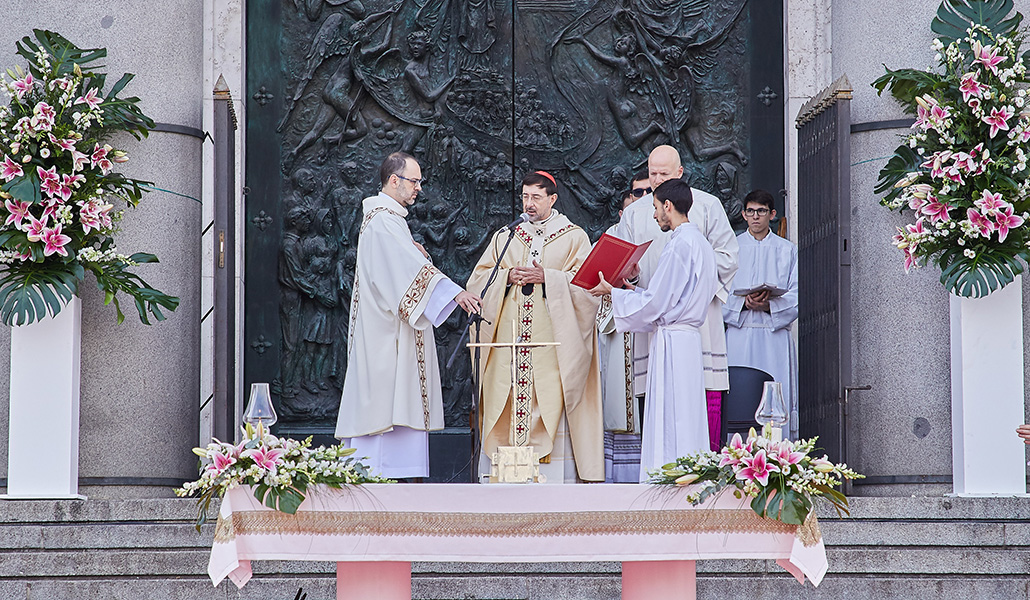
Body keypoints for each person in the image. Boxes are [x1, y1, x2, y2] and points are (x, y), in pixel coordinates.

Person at [335, 152, 482, 479]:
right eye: (414, 181)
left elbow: (405, 265)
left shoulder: (388, 220)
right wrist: (455, 292)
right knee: (386, 401)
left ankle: (389, 471)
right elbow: (406, 272)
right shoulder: (385, 221)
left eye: (419, 181)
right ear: (394, 180)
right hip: (386, 334)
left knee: (390, 398)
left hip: (386, 329)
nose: (418, 188)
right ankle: (380, 471)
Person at [468, 171, 603, 483]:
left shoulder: (573, 236)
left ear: (552, 199)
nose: (528, 204)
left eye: (536, 197)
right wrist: (506, 277)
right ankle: (504, 472)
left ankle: (550, 475)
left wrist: (549, 278)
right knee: (507, 392)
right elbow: (478, 280)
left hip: (552, 343)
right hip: (510, 340)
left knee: (549, 394)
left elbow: (588, 287)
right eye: (525, 196)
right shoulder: (506, 236)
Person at [589, 179, 719, 481]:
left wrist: (614, 292)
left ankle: (667, 479)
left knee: (670, 415)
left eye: (656, 207)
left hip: (673, 339)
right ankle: (689, 474)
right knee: (687, 415)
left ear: (668, 206)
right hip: (686, 337)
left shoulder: (679, 246)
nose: (654, 215)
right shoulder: (701, 243)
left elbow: (657, 302)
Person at [613, 145, 738, 451]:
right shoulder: (632, 213)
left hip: (692, 319)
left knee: (694, 402)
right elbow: (624, 263)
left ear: (680, 173)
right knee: (659, 406)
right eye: (652, 173)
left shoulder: (707, 205)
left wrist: (686, 291)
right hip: (652, 320)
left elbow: (728, 257)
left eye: (663, 174)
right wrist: (630, 276)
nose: (655, 180)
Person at [723, 189, 799, 439]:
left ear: (772, 214)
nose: (756, 217)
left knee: (777, 394)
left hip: (773, 335)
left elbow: (798, 294)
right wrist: (743, 304)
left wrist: (768, 305)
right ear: (744, 214)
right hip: (740, 332)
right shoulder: (731, 248)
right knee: (739, 394)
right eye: (751, 211)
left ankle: (779, 453)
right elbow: (717, 293)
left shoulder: (787, 250)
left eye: (762, 211)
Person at [597, 187, 642, 482]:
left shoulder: (658, 235)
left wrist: (636, 279)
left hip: (643, 327)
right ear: (621, 213)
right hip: (615, 329)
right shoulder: (607, 239)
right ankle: (615, 476)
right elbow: (592, 282)